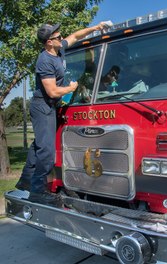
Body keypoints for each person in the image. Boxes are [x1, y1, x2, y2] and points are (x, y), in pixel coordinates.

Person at [15, 21, 110, 206]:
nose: (61, 37)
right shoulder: (44, 60)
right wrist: (71, 88)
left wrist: (96, 28)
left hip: (50, 106)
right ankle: (36, 191)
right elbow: (52, 92)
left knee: (39, 145)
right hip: (42, 106)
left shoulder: (59, 49)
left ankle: (26, 179)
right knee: (47, 152)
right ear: (49, 42)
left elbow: (75, 36)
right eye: (57, 36)